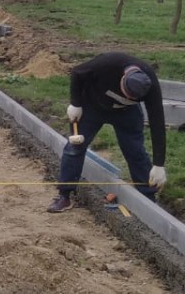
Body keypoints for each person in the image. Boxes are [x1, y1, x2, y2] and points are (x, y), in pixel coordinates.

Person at [47, 51, 167, 212]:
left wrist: (159, 164)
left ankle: (148, 199)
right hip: (92, 105)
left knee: (135, 151)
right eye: (128, 95)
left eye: (134, 98)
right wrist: (75, 104)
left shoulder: (150, 84)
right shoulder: (107, 64)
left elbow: (157, 121)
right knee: (75, 148)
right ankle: (64, 196)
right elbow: (77, 72)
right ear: (123, 80)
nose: (130, 98)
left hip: (126, 113)